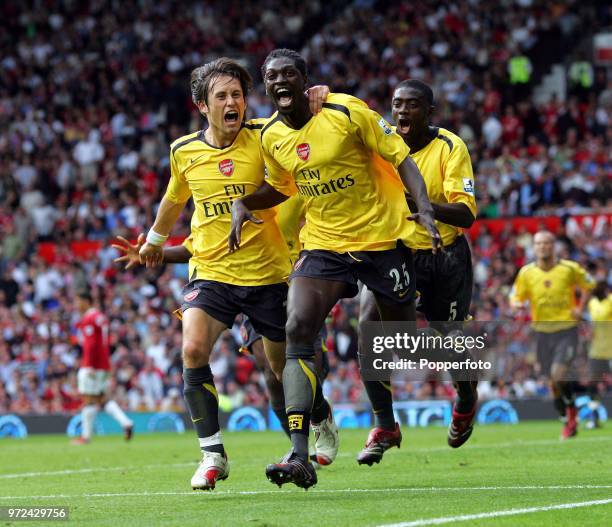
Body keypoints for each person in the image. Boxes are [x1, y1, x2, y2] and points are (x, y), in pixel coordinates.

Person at [229, 48, 440, 489]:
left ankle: (389, 411)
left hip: (381, 240)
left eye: (289, 73)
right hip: (325, 245)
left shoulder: (347, 111)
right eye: (272, 76)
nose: (280, 81)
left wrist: (423, 208)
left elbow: (401, 158)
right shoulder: (271, 136)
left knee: (399, 344)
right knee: (297, 328)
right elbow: (281, 187)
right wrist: (244, 201)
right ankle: (300, 454)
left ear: (306, 80)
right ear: (266, 87)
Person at [136, 57, 336, 491]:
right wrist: (154, 238)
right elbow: (173, 200)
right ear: (202, 106)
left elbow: (305, 127)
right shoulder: (183, 151)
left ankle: (320, 417)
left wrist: (318, 96)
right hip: (211, 272)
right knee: (192, 349)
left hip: (268, 274)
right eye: (222, 96)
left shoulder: (265, 135)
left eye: (238, 95)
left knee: (284, 371)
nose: (233, 102)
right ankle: (213, 455)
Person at [357, 79, 479, 466]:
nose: (402, 112)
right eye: (396, 104)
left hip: (443, 256)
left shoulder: (449, 147)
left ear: (430, 112)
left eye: (412, 105)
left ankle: (465, 397)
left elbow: (468, 214)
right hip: (396, 252)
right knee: (368, 327)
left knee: (449, 341)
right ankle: (385, 424)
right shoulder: (383, 146)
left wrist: (426, 205)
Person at [510, 231, 595, 439]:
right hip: (541, 333)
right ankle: (566, 417)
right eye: (538, 243)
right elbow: (515, 296)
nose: (542, 247)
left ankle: (571, 414)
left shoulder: (569, 268)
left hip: (566, 330)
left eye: (547, 243)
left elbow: (590, 284)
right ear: (534, 247)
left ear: (554, 245)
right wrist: (517, 304)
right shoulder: (526, 273)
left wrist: (580, 307)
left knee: (558, 375)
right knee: (552, 383)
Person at [71, 290, 133, 444]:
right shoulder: (100, 317)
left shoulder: (89, 318)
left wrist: (90, 364)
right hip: (103, 364)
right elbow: (105, 342)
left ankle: (85, 437)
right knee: (102, 399)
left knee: (88, 400)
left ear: (86, 301)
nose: (76, 305)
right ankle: (126, 423)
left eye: (78, 301)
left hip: (92, 365)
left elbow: (91, 344)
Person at [585, 280, 611, 428]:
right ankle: (594, 419)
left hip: (610, 350)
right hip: (596, 351)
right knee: (592, 384)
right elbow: (593, 324)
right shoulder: (592, 303)